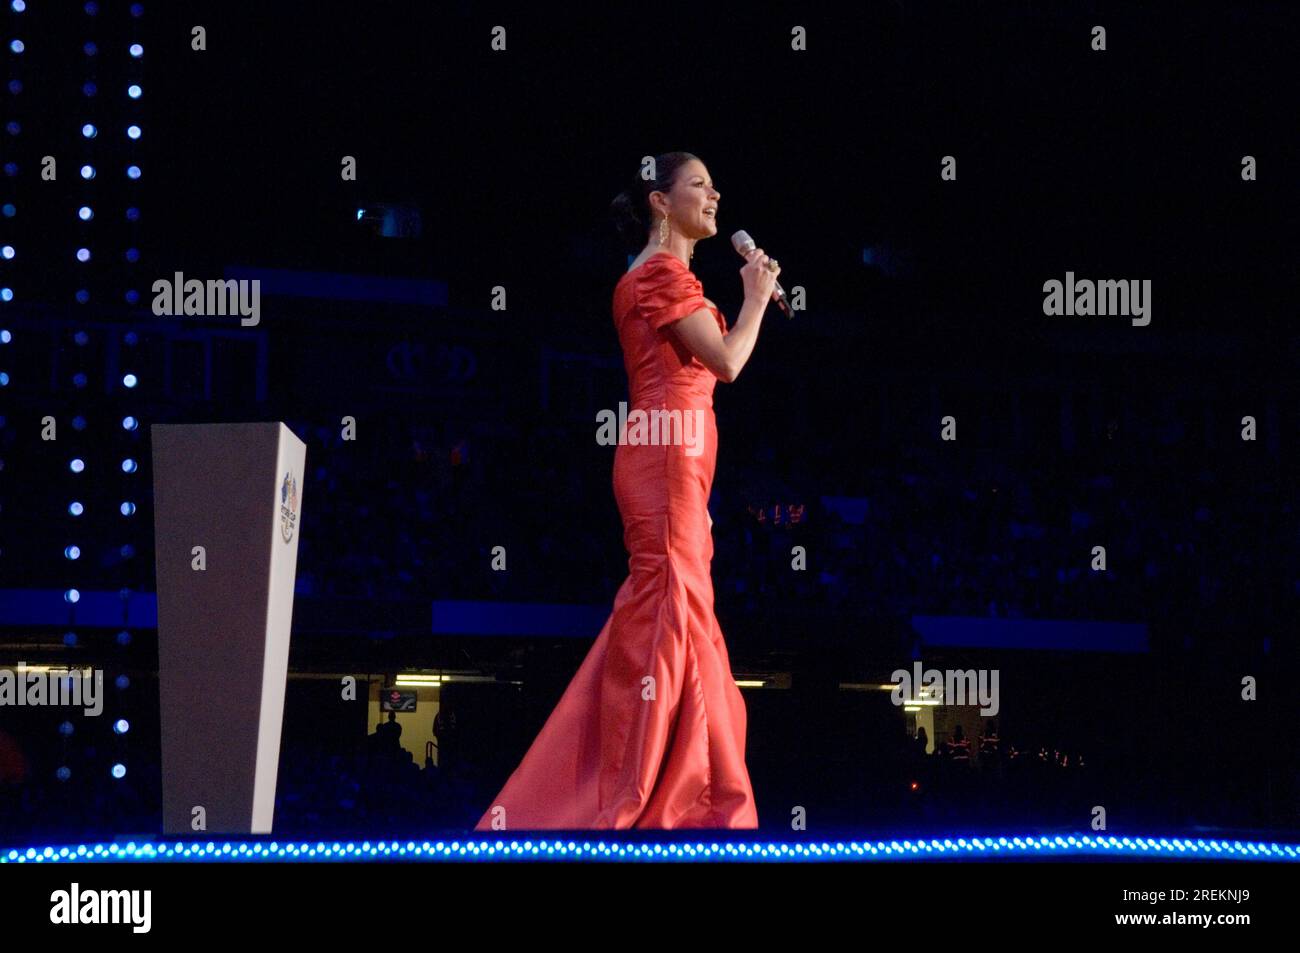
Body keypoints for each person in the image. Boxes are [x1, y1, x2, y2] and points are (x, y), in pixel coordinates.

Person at [474, 152, 781, 830]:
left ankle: (692, 795)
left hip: (680, 459)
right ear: (660, 202)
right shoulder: (659, 274)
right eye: (699, 184)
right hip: (666, 457)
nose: (716, 193)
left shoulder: (669, 274)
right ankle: (631, 802)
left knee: (677, 618)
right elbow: (727, 361)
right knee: (668, 617)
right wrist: (755, 298)